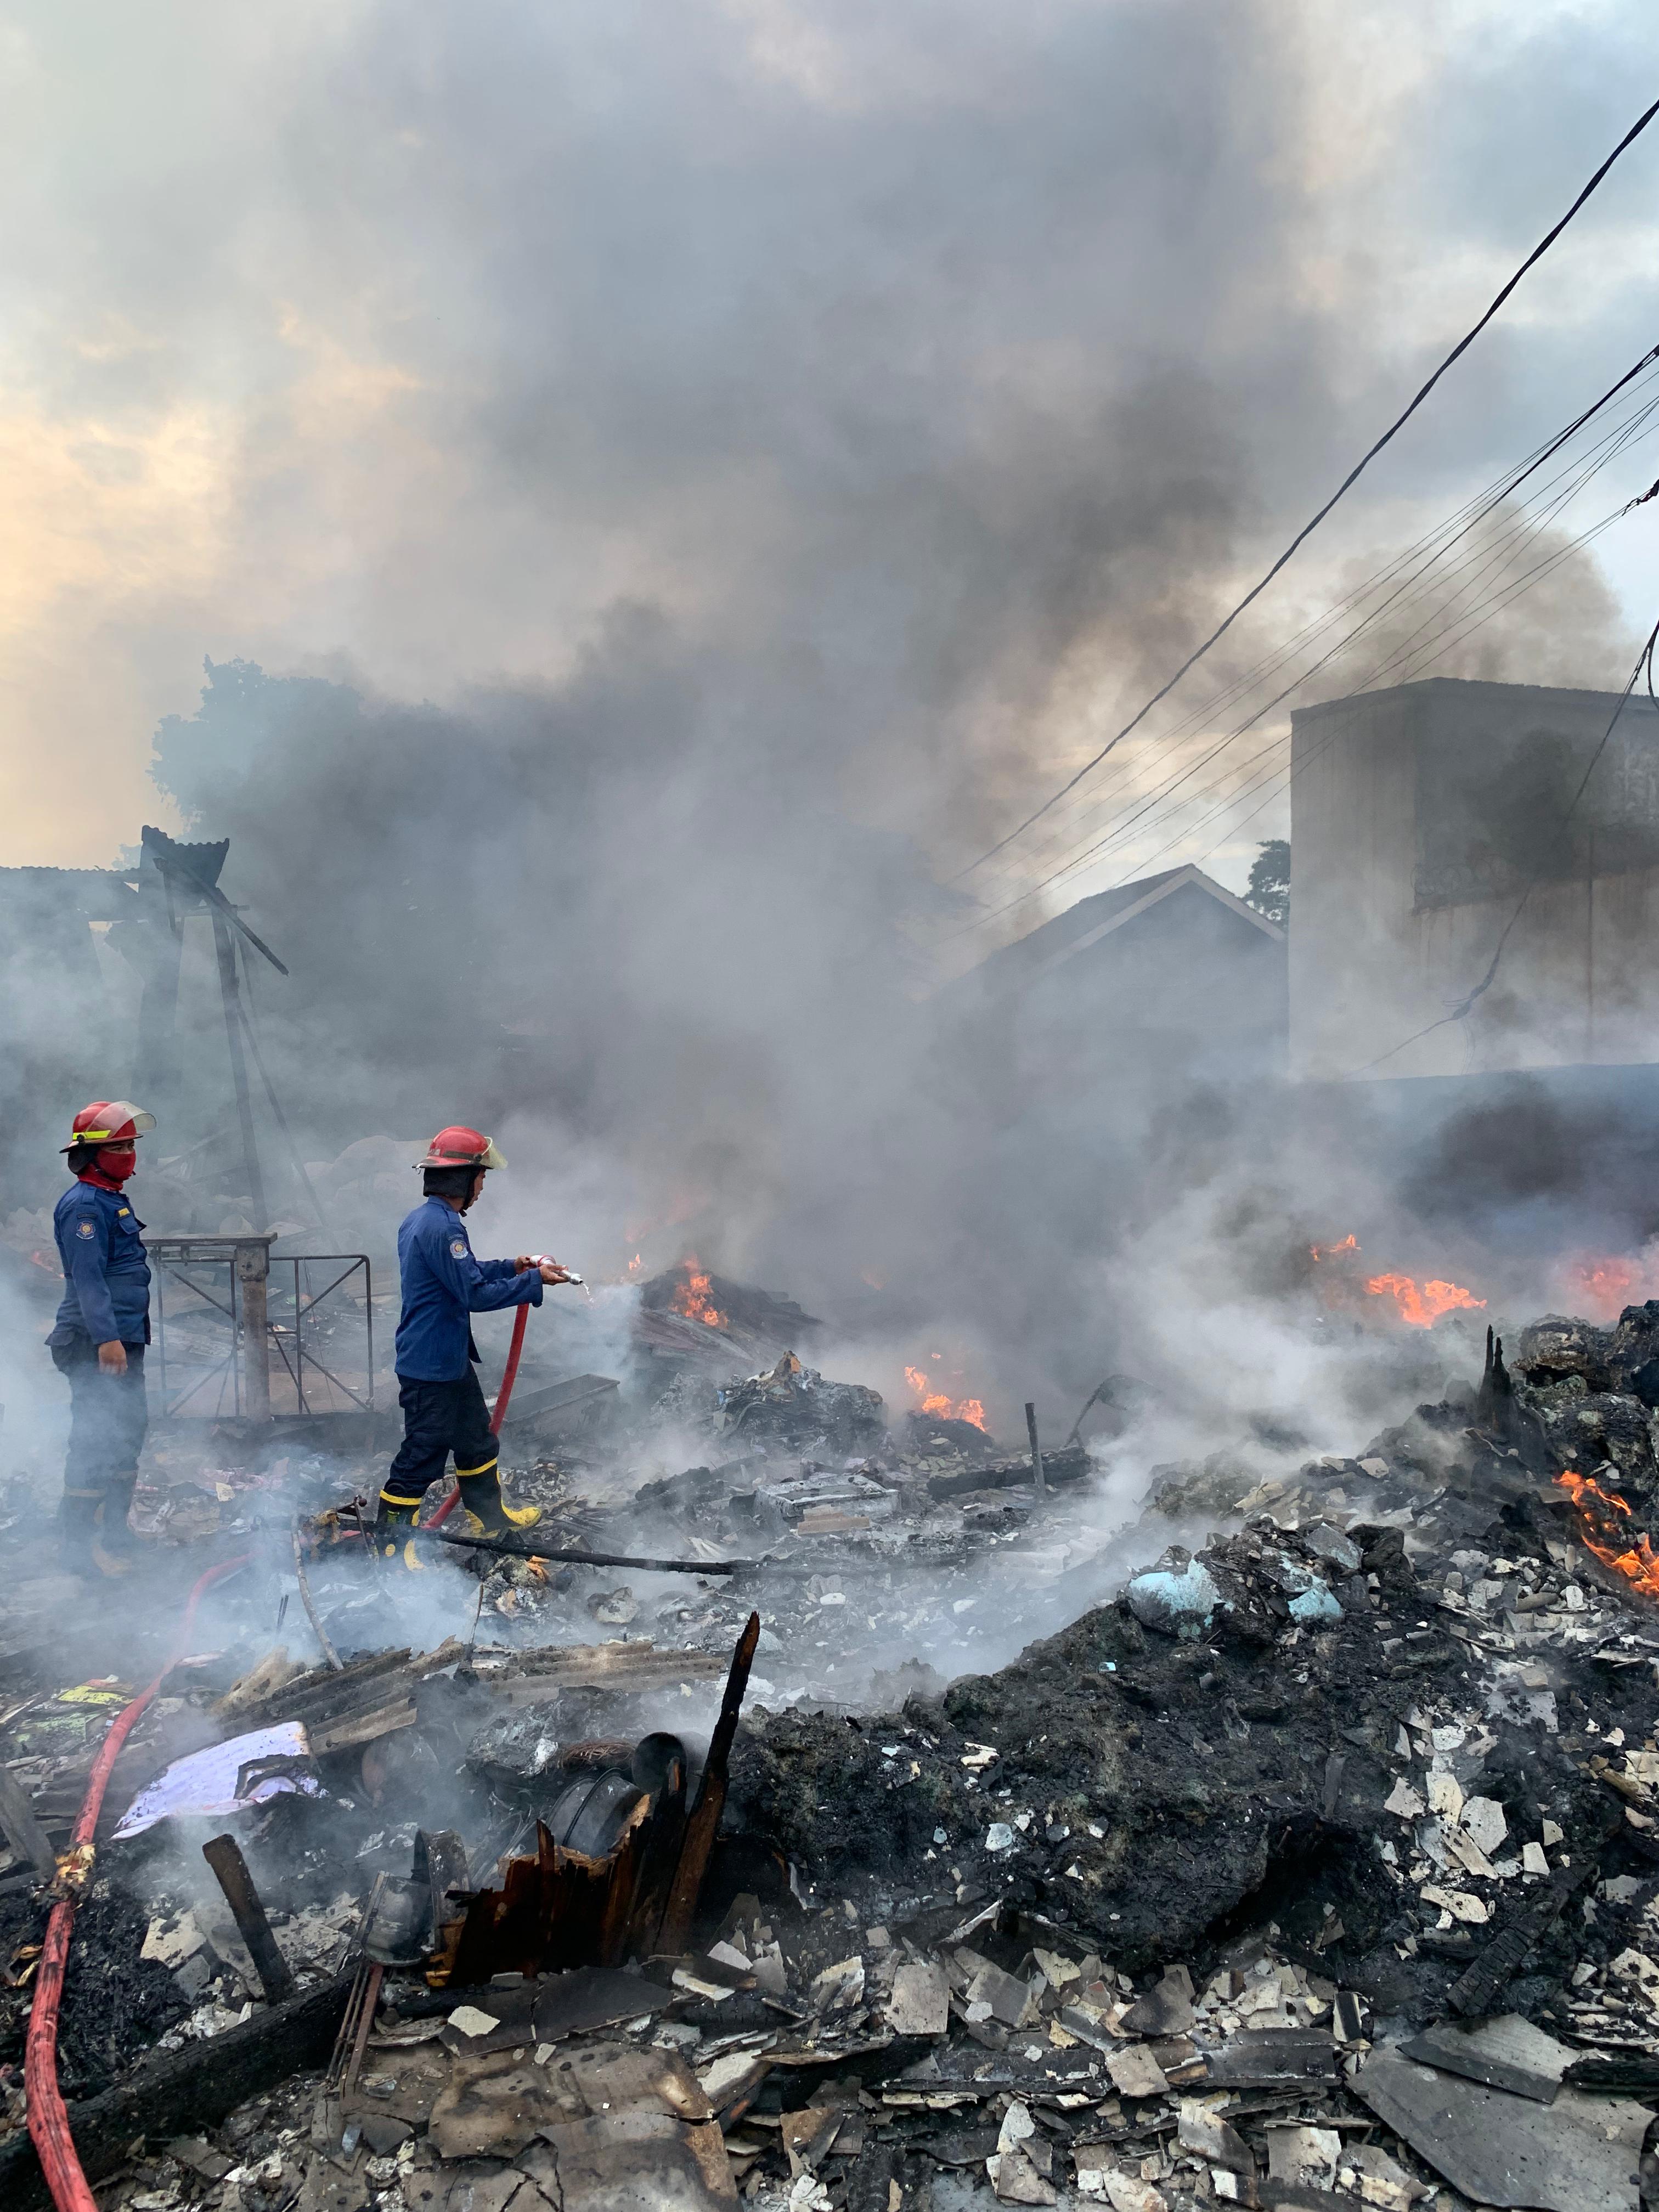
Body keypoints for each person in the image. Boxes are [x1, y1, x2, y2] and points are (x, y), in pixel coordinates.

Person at [375, 1125, 573, 1565]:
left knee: (476, 1442)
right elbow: (474, 1295)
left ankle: (490, 1517)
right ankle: (390, 1550)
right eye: (480, 1176)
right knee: (421, 1456)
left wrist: (511, 1266)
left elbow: (464, 1275)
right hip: (431, 1366)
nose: (483, 1185)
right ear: (460, 1178)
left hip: (446, 1361)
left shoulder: (423, 1219)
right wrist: (532, 1281)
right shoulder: (445, 1229)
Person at [49, 1101, 157, 1578]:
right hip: (95, 1342)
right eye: (119, 1146)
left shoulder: (112, 1198)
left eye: (132, 1144)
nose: (130, 1153)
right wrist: (107, 1339)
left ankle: (115, 1532)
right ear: (92, 1155)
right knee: (96, 1441)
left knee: (127, 1435)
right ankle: (79, 1551)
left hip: (121, 1340)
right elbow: (89, 1280)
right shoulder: (85, 1206)